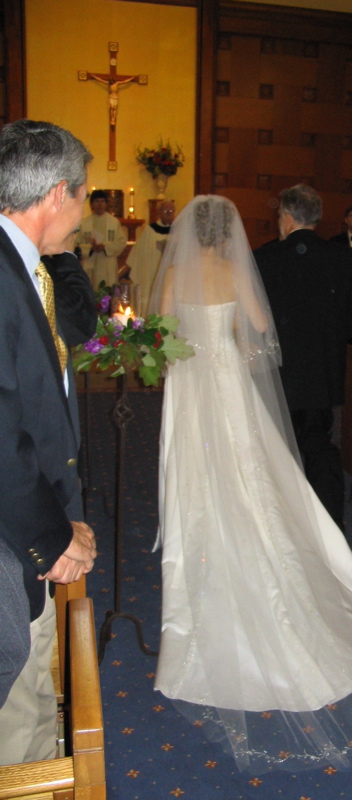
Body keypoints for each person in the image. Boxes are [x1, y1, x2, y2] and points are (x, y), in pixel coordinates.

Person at [149, 195, 352, 772]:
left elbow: (161, 331)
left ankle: (202, 553)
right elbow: (263, 327)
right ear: (229, 234)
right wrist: (237, 346)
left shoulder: (173, 273)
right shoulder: (236, 268)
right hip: (225, 380)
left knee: (196, 473)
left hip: (191, 385)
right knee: (252, 473)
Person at [0, 119, 97, 765]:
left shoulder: (23, 266)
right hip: (12, 547)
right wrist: (51, 536)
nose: (87, 213)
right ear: (59, 193)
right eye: (86, 195)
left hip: (28, 523)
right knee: (23, 727)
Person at [254, 185, 352, 531]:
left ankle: (284, 522)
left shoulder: (265, 258)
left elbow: (257, 323)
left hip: (280, 372)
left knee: (280, 447)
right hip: (322, 370)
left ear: (286, 217)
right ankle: (331, 521)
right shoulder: (343, 257)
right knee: (320, 444)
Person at [125, 200, 175, 317]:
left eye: (171, 210)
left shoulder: (178, 230)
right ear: (159, 213)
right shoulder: (150, 230)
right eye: (165, 210)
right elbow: (140, 253)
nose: (169, 213)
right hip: (152, 274)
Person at [76, 188, 127, 287]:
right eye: (96, 201)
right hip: (91, 262)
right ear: (91, 204)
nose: (99, 204)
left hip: (107, 262)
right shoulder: (84, 223)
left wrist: (105, 247)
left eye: (102, 201)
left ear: (106, 204)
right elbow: (77, 243)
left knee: (108, 290)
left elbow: (121, 242)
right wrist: (90, 249)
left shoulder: (114, 222)